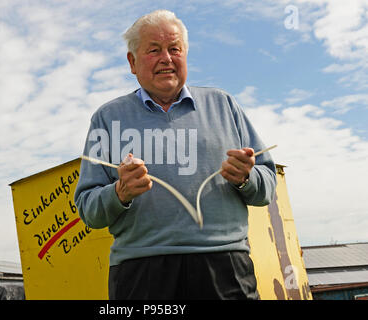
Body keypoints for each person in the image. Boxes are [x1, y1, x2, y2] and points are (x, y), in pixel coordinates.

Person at [74, 9, 277, 300]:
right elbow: (87, 209)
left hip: (225, 265)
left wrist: (247, 179)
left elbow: (267, 188)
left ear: (185, 55)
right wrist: (120, 192)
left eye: (174, 49)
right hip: (141, 270)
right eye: (153, 50)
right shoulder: (107, 118)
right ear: (132, 62)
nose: (166, 58)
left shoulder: (224, 105)